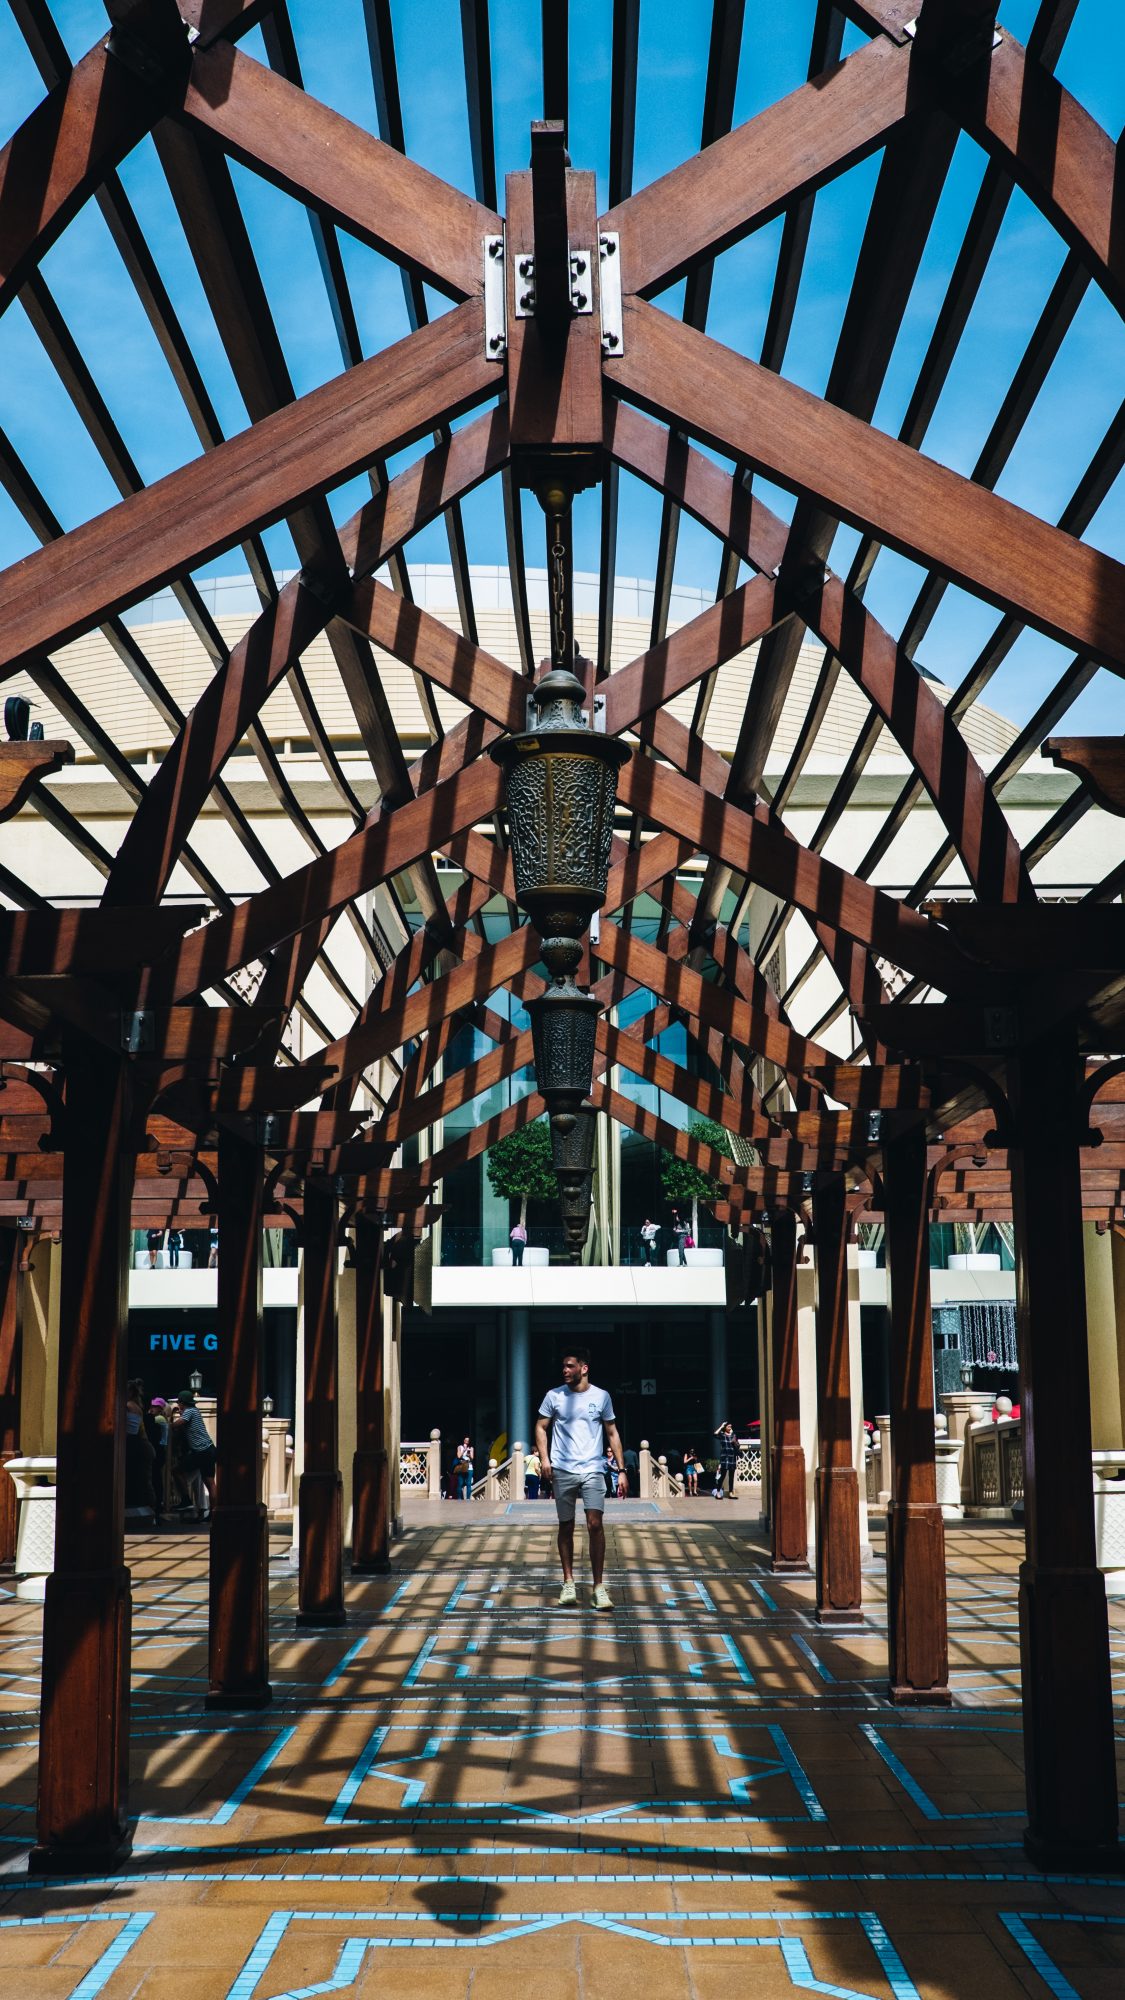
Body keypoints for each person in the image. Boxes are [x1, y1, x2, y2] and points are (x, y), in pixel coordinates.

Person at [535, 1347, 626, 1610]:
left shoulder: (602, 1396)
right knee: (566, 1525)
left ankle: (598, 1587)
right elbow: (541, 1426)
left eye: (570, 1366)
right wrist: (544, 1459)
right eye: (563, 1366)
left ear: (583, 1368)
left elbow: (612, 1432)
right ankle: (568, 1582)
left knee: (595, 1524)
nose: (565, 1370)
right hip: (562, 1469)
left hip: (593, 1468)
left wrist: (621, 1470)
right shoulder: (554, 1396)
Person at [173, 1392, 216, 1519]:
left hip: (201, 1451)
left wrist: (167, 1423)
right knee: (210, 1482)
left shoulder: (189, 1411)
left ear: (181, 1403)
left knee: (176, 1471)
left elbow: (177, 1424)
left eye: (179, 1403)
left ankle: (186, 1500)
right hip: (209, 1449)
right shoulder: (194, 1411)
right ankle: (213, 1513)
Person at [712, 1420, 738, 1500]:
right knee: (722, 1476)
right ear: (725, 1427)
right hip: (725, 1458)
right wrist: (721, 1426)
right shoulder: (722, 1435)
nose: (730, 1427)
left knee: (731, 1477)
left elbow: (738, 1446)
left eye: (731, 1426)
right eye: (728, 1426)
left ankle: (730, 1493)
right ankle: (718, 1492)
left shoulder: (733, 1435)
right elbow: (715, 1434)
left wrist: (735, 1442)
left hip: (732, 1458)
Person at [454, 1436, 474, 1500]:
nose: (467, 1441)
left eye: (468, 1440)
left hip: (469, 1467)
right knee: (460, 1483)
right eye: (466, 1440)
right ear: (463, 1440)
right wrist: (464, 1450)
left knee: (468, 1484)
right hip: (462, 1466)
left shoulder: (471, 1448)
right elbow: (459, 1456)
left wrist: (469, 1454)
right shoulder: (460, 1447)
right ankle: (459, 1498)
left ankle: (468, 1498)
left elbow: (472, 1458)